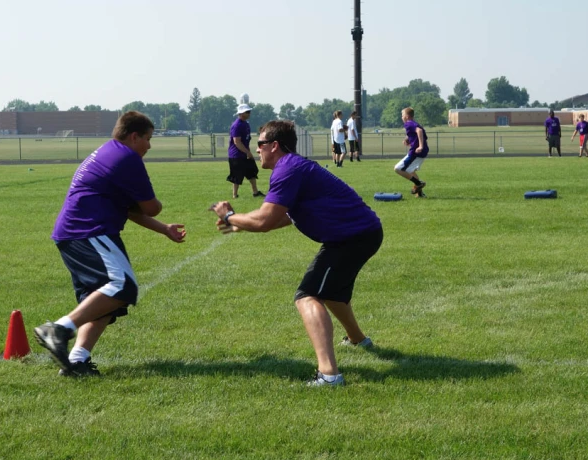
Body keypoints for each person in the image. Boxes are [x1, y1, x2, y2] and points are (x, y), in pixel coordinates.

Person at [209, 120, 383, 387]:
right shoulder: (292, 166)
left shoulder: (287, 169)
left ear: (274, 146)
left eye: (260, 144)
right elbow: (283, 217)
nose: (257, 149)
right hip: (357, 233)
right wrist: (240, 223)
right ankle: (358, 339)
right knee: (332, 292)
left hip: (351, 237)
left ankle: (329, 375)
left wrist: (231, 216)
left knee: (308, 296)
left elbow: (266, 220)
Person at [34, 111, 187, 377]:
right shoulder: (127, 157)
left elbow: (129, 209)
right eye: (148, 139)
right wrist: (158, 212)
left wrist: (163, 230)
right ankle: (57, 330)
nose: (149, 146)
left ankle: (76, 363)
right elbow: (151, 208)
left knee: (103, 302)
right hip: (88, 231)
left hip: (74, 233)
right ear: (134, 136)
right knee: (122, 287)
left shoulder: (109, 152)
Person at [227, 104, 264, 198]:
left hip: (245, 154)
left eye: (249, 111)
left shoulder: (246, 124)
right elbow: (237, 142)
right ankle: (234, 195)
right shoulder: (237, 125)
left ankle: (255, 192)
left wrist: (248, 152)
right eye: (247, 112)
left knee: (252, 172)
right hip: (237, 155)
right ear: (241, 113)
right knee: (237, 175)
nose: (249, 113)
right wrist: (247, 152)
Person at [393, 107, 429, 198]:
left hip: (416, 152)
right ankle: (420, 194)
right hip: (421, 151)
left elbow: (419, 131)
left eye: (402, 115)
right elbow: (419, 134)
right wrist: (408, 139)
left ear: (407, 116)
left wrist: (420, 146)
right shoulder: (414, 123)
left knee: (398, 169)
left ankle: (418, 183)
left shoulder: (408, 124)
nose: (401, 117)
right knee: (411, 171)